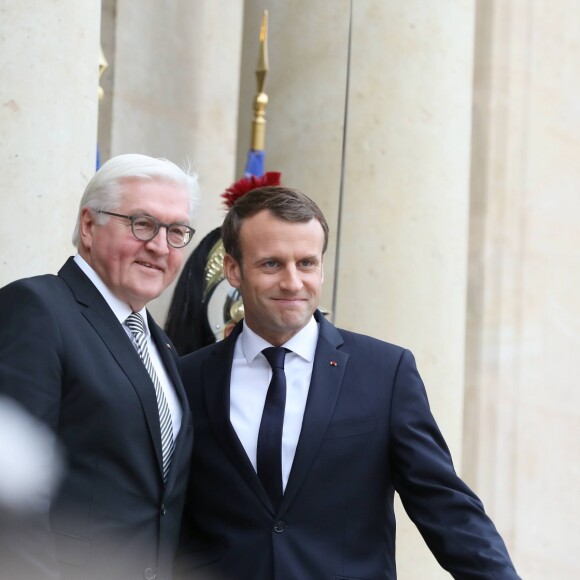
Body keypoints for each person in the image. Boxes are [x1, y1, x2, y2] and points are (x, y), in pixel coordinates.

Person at [177, 186, 520, 579]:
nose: (292, 283)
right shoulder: (186, 378)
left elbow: (445, 506)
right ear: (234, 270)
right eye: (271, 264)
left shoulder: (385, 372)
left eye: (306, 263)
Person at [0, 153, 199, 580]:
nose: (160, 246)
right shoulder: (38, 308)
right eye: (142, 224)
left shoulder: (160, 343)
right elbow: (11, 493)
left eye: (177, 231)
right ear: (89, 225)